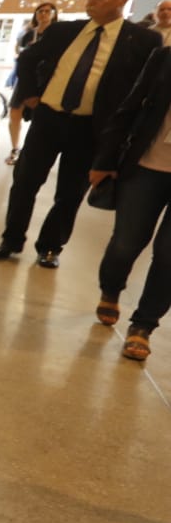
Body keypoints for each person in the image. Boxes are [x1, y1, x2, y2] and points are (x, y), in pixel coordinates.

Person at [0, 0, 161, 268]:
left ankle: (51, 247)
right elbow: (28, 59)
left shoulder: (143, 40)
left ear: (122, 0)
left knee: (70, 193)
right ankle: (11, 238)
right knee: (25, 182)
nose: (90, 2)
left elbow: (146, 90)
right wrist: (30, 94)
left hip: (91, 128)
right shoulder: (64, 31)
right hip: (48, 119)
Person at [90, 45, 171, 360]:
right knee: (125, 244)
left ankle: (143, 326)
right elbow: (131, 106)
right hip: (146, 167)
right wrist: (105, 158)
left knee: (169, 256)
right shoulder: (165, 57)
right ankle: (111, 289)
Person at [6, 2, 57, 164]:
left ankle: (33, 151)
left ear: (54, 14)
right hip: (26, 79)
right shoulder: (29, 34)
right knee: (15, 112)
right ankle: (15, 148)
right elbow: (19, 50)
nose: (43, 14)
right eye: (40, 11)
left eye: (47, 11)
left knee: (41, 117)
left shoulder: (58, 33)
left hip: (47, 80)